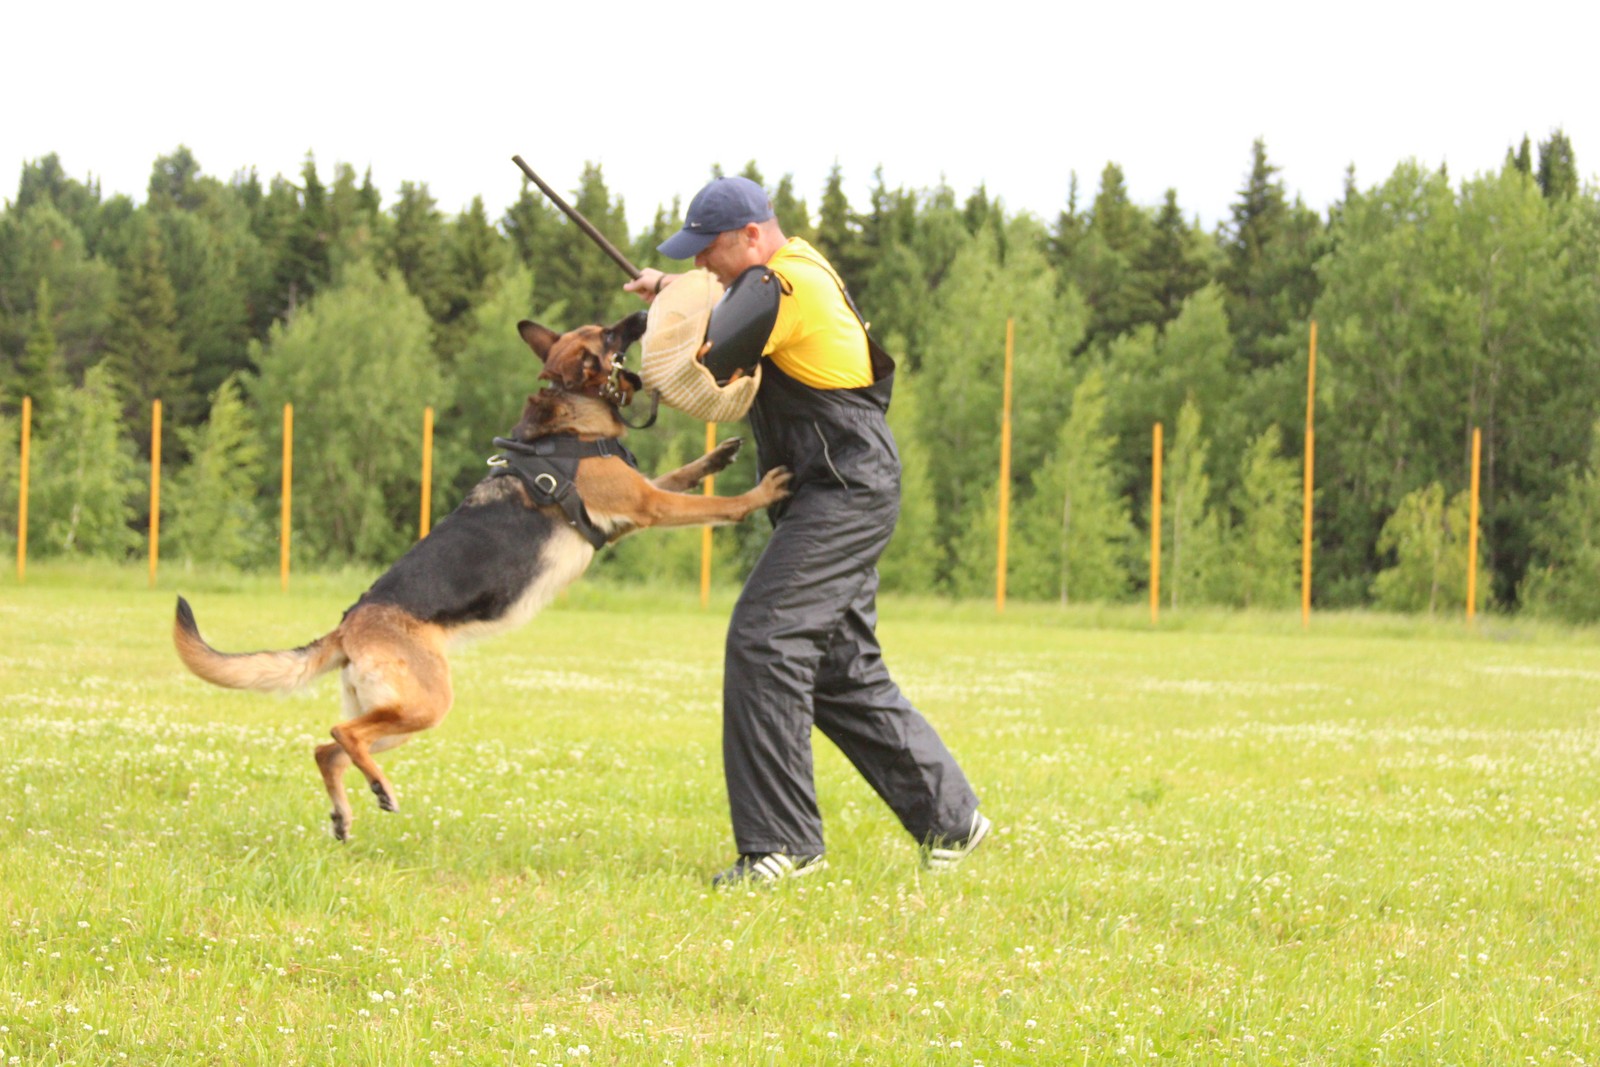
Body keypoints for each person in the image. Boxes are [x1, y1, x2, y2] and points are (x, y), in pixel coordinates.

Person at [625, 176, 989, 887]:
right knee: (836, 665)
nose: (704, 263)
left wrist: (667, 312)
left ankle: (783, 847)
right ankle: (951, 818)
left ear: (753, 236)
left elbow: (700, 369)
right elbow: (724, 301)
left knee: (766, 638)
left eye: (710, 251)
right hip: (834, 481)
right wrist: (673, 283)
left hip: (843, 488)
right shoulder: (791, 271)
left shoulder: (778, 289)